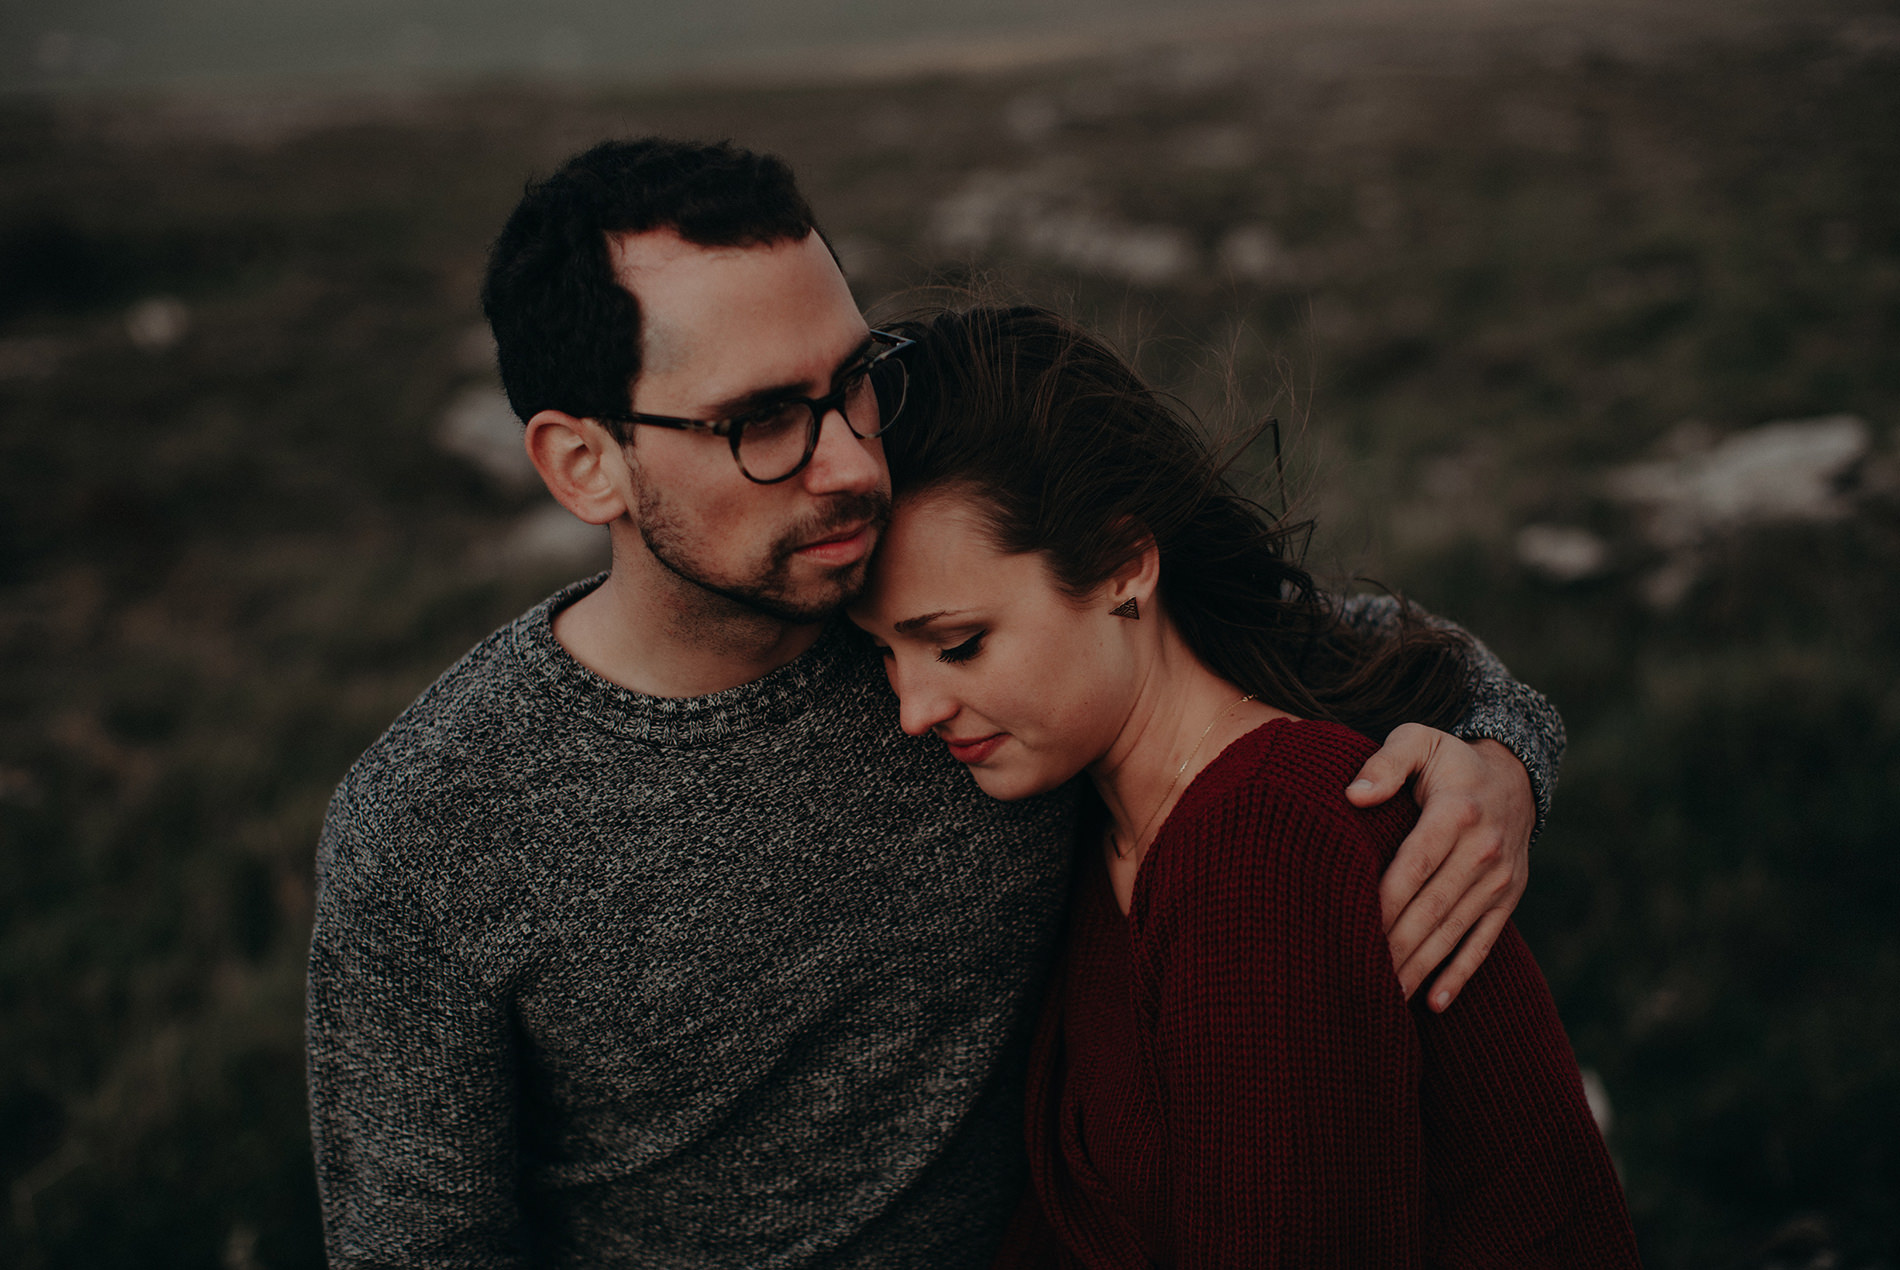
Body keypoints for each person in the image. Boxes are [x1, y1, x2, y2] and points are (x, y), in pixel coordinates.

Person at [306, 138, 1569, 1267]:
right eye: (762, 421)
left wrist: (1495, 753)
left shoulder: (907, 605)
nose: (853, 462)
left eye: (852, 380)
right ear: (585, 463)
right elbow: (423, 1245)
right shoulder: (430, 827)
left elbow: (1286, 634)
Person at [850, 304, 1638, 1267]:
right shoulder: (1108, 821)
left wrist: (1511, 745)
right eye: (885, 656)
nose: (914, 710)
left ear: (1123, 565)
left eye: (959, 644)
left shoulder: (1266, 841)